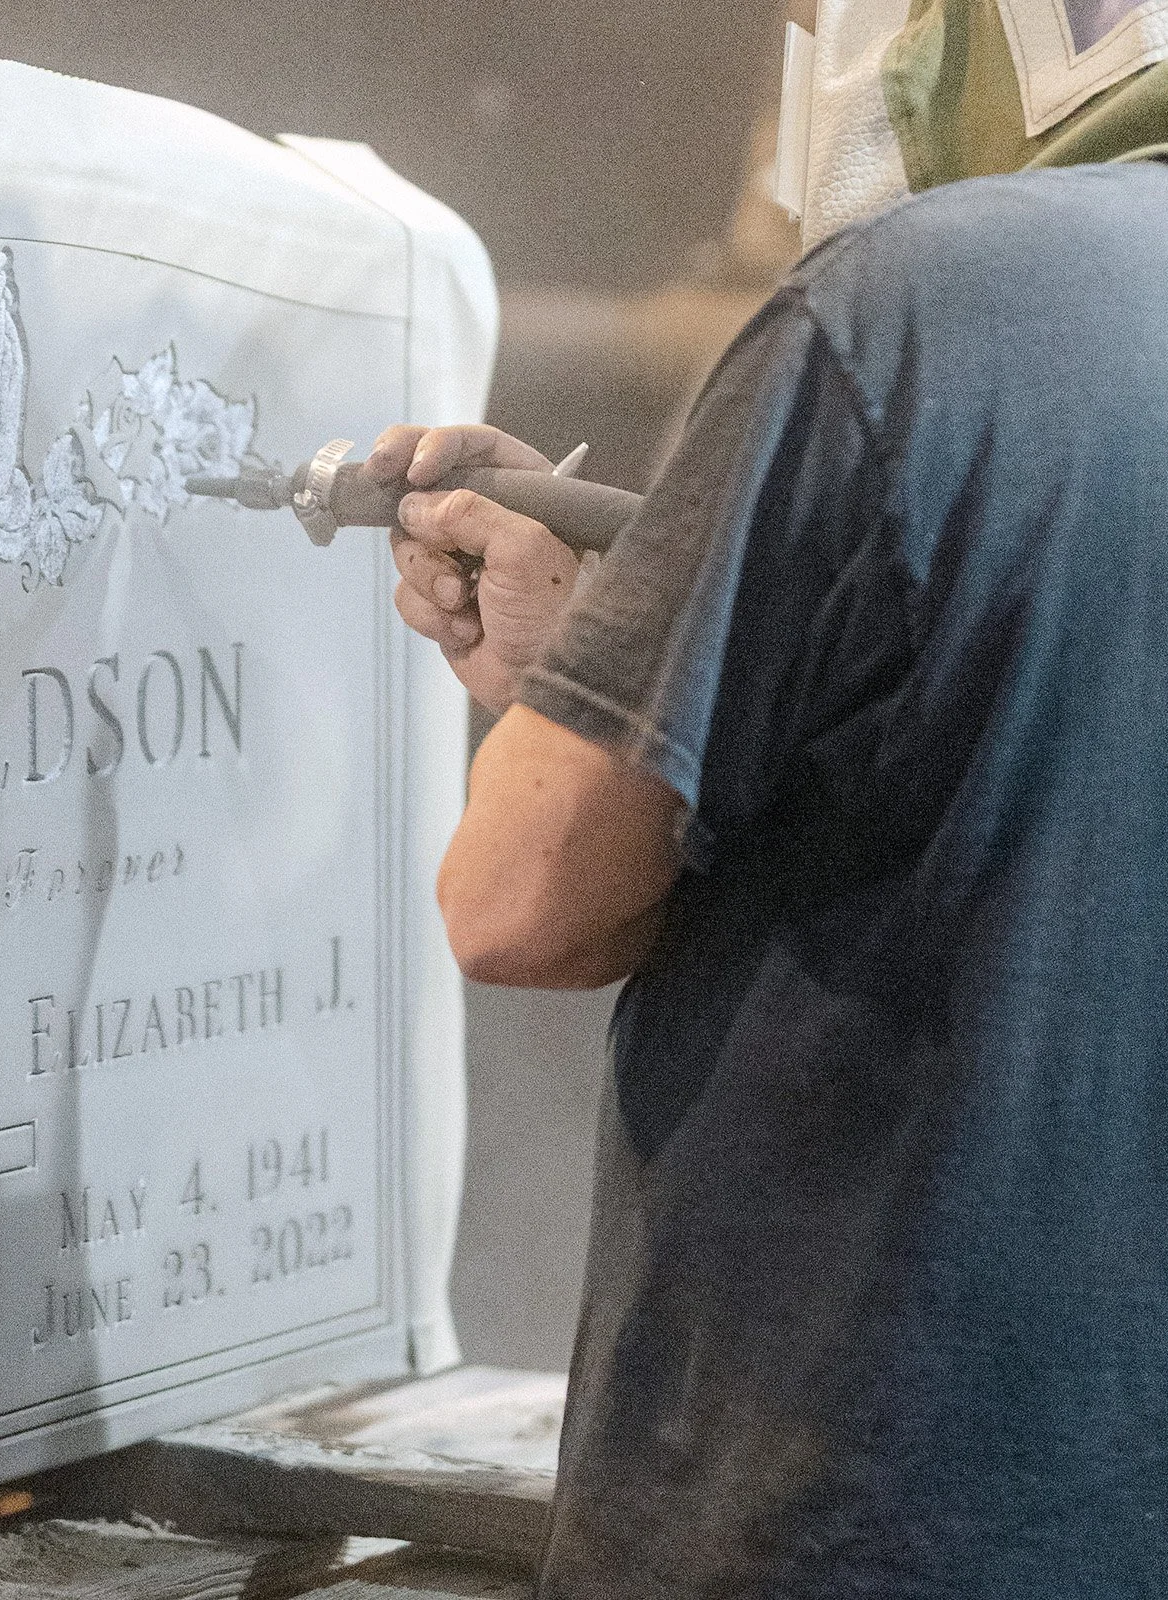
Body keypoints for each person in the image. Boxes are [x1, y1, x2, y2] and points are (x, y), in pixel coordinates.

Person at [375, 7, 1168, 1592]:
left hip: (849, 1497)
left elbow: (522, 901)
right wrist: (632, 653)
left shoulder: (905, 306)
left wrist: (570, 697)